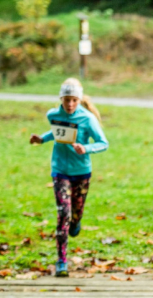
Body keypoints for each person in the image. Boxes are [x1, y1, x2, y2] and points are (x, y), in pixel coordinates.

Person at [29, 78, 108, 277]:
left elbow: (103, 143)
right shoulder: (53, 114)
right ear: (61, 99)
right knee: (63, 213)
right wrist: (41, 138)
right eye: (66, 100)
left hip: (81, 172)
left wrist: (86, 148)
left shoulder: (87, 118)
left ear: (79, 100)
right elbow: (58, 132)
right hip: (60, 171)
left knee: (75, 215)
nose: (70, 104)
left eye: (74, 100)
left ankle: (76, 221)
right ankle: (61, 260)